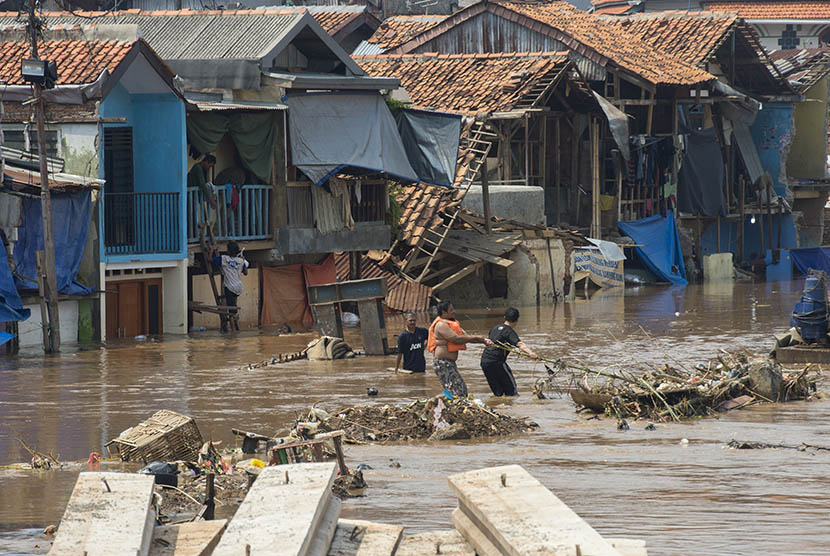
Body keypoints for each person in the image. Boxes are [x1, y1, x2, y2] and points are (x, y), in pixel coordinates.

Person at [427, 301, 492, 398]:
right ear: (444, 312)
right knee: (459, 391)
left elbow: (466, 337)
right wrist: (480, 338)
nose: (454, 311)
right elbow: (456, 339)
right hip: (443, 363)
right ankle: (438, 403)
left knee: (457, 390)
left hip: (448, 363)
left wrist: (484, 341)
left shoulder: (452, 324)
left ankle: (443, 405)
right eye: (451, 310)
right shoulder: (441, 325)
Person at [480, 307, 538, 397]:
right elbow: (520, 344)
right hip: (497, 362)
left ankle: (500, 407)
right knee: (511, 390)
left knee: (498, 392)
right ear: (517, 320)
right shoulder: (509, 331)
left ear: (504, 317)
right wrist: (531, 353)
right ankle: (511, 407)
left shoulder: (495, 328)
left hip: (484, 361)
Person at [213, 241, 249, 332]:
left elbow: (210, 259)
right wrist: (242, 261)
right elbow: (245, 273)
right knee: (233, 306)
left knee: (231, 311)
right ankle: (235, 327)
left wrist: (210, 251)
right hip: (239, 287)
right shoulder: (241, 261)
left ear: (228, 250)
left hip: (229, 287)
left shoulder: (224, 258)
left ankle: (233, 332)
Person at [188, 154, 217, 231]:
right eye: (209, 166)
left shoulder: (201, 169)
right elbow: (202, 184)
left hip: (193, 196)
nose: (209, 168)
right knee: (190, 215)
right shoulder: (198, 168)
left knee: (192, 214)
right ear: (206, 162)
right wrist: (211, 200)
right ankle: (192, 233)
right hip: (190, 195)